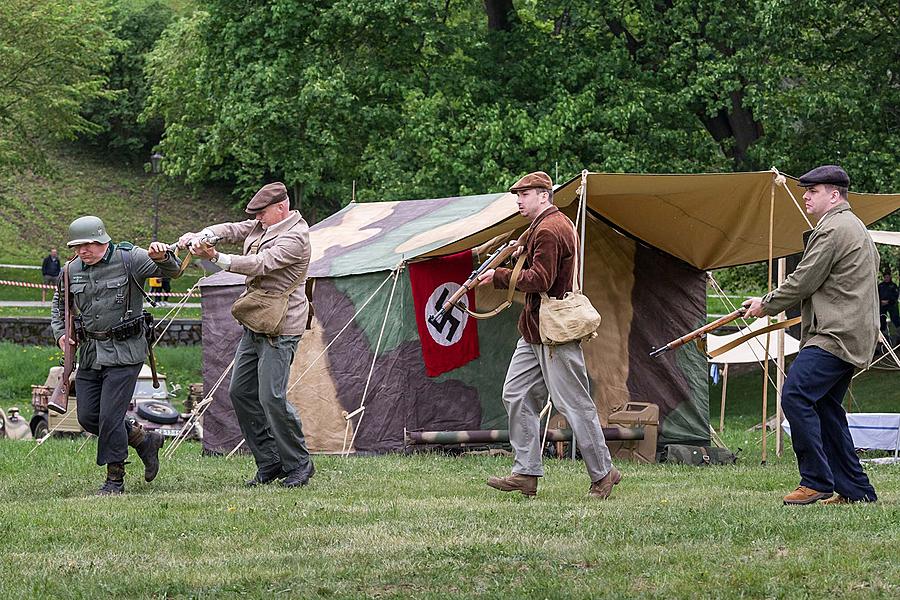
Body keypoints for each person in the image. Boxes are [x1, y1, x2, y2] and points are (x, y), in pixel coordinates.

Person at [476, 171, 620, 499]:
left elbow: (540, 279)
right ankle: (525, 473)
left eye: (524, 195)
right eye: (518, 195)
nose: (518, 200)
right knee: (516, 393)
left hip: (554, 331)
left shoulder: (551, 229)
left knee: (574, 404)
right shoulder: (541, 227)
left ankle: (604, 473)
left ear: (544, 195)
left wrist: (499, 275)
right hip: (534, 330)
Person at [744, 165, 879, 505]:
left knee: (796, 395)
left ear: (834, 195)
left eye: (813, 191)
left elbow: (805, 279)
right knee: (825, 407)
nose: (805, 196)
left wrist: (765, 304)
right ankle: (857, 491)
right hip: (851, 333)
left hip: (837, 335)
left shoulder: (833, 228)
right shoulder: (854, 227)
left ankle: (816, 481)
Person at [178, 182, 314, 488]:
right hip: (257, 321)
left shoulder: (295, 237)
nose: (258, 219)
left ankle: (299, 464)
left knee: (271, 397)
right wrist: (205, 236)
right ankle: (269, 462)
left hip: (282, 326)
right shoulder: (263, 224)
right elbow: (232, 228)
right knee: (240, 393)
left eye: (263, 213)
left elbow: (260, 264)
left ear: (282, 208)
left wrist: (216, 258)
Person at [51, 216, 181, 495]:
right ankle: (143, 439)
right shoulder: (70, 270)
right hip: (89, 354)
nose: (83, 251)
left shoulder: (129, 258)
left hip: (125, 352)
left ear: (102, 240)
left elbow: (173, 271)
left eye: (88, 244)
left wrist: (163, 255)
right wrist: (61, 333)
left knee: (110, 417)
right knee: (88, 416)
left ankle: (114, 479)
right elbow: (59, 307)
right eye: (77, 246)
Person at [877, 270, 899, 343]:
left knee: (895, 320)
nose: (886, 278)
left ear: (890, 277)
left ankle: (897, 337)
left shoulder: (893, 286)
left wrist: (888, 301)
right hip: (882, 306)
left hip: (891, 305)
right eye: (885, 277)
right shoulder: (880, 286)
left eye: (888, 277)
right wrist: (881, 302)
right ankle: (884, 337)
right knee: (882, 320)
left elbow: (895, 296)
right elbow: (877, 295)